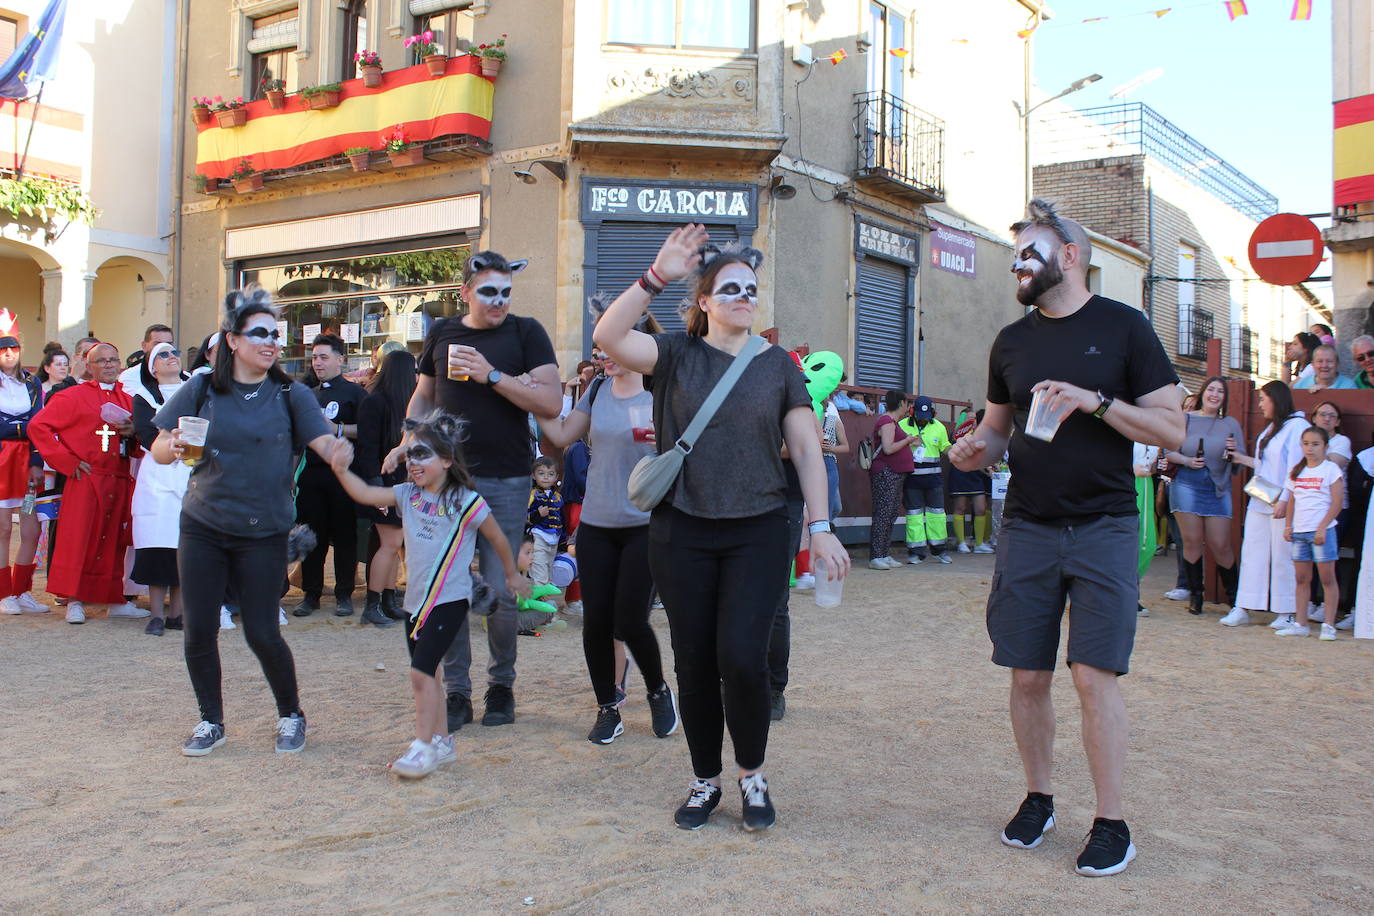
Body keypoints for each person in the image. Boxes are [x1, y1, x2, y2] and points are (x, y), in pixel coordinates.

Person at [948, 199, 1183, 877]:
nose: (1019, 265)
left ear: (1071, 256)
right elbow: (997, 430)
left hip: (1105, 524)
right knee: (1027, 674)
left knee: (1093, 675)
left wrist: (1098, 402)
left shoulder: (1125, 328)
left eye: (1031, 252)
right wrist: (977, 447)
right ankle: (1039, 797)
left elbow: (1173, 430)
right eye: (1015, 255)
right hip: (1027, 524)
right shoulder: (1011, 342)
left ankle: (1112, 821)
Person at [592, 224, 850, 833]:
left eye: (750, 288)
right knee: (694, 661)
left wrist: (823, 526)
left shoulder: (779, 366)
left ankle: (752, 772)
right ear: (704, 301)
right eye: (728, 288)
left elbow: (808, 451)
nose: (742, 295)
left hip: (758, 528)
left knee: (741, 656)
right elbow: (607, 335)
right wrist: (658, 273)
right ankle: (705, 778)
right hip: (680, 530)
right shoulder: (676, 354)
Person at [149, 289, 351, 757]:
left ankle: (291, 714)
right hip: (202, 524)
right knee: (199, 630)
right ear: (233, 340)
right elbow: (159, 448)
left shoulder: (291, 393)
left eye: (275, 335)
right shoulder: (201, 388)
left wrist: (339, 452)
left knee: (262, 631)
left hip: (263, 531)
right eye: (260, 333)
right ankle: (210, 721)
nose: (271, 343)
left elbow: (323, 441)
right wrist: (173, 445)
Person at [387, 250, 562, 731]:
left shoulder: (526, 332)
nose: (499, 301)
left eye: (506, 292)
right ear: (465, 292)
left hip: (506, 475)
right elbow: (425, 395)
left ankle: (501, 685)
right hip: (449, 479)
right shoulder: (443, 333)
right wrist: (409, 440)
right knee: (449, 587)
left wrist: (492, 375)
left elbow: (550, 400)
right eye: (488, 292)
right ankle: (459, 692)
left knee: (505, 584)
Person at [331, 409, 525, 777]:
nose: (413, 463)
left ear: (447, 461)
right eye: (410, 455)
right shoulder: (407, 494)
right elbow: (368, 493)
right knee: (429, 673)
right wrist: (341, 470)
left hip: (448, 600)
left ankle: (422, 747)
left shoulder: (466, 501)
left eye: (422, 455)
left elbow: (498, 538)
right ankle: (441, 741)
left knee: (420, 674)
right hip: (415, 602)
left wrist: (512, 575)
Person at [534, 339, 678, 745]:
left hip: (644, 525)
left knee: (630, 621)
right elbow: (562, 435)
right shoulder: (595, 390)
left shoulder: (660, 393)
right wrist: (532, 401)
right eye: (599, 351)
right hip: (597, 525)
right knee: (595, 623)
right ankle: (607, 707)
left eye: (610, 348)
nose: (602, 358)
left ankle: (657, 690)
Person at [28, 342, 147, 624]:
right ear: (89, 366)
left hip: (118, 477)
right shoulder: (72, 396)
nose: (108, 365)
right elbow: (38, 426)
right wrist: (66, 461)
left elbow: (137, 443)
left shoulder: (128, 400)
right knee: (78, 538)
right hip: (86, 477)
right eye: (102, 361)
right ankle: (74, 599)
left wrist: (132, 433)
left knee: (113, 540)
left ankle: (113, 598)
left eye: (113, 360)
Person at [1224, 381, 1310, 628]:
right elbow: (1266, 465)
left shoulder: (1298, 427)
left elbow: (1295, 468)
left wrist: (1285, 500)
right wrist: (1240, 458)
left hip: (1283, 502)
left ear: (1275, 398)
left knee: (1283, 555)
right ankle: (1243, 606)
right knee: (1252, 552)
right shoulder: (1272, 428)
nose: (1261, 404)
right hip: (1261, 499)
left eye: (1264, 399)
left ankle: (1287, 611)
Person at [292, 333, 366, 618]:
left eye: (324, 357)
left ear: (340, 359)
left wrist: (335, 429)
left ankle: (344, 593)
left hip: (344, 475)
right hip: (311, 474)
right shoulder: (307, 394)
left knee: (345, 536)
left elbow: (367, 430)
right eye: (314, 358)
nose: (318, 363)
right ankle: (311, 593)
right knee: (312, 537)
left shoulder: (356, 394)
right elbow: (299, 437)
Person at [1160, 376, 1245, 616]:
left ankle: (1234, 596)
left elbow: (1239, 462)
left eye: (1220, 391)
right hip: (1187, 484)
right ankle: (1196, 595)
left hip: (1218, 487)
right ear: (1203, 392)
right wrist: (1187, 460)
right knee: (1192, 541)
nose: (1215, 394)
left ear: (1224, 397)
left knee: (1220, 544)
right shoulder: (1186, 418)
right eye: (1211, 389)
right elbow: (1168, 451)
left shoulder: (1230, 423)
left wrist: (1233, 452)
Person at [129, 342, 191, 635]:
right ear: (152, 367)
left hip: (191, 468)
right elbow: (145, 434)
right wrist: (170, 441)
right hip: (158, 472)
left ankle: (177, 614)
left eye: (174, 353)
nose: (171, 358)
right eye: (163, 355)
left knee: (184, 543)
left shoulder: (195, 390)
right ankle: (156, 614)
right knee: (158, 543)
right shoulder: (143, 396)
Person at [354, 348, 417, 627]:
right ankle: (373, 602)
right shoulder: (375, 402)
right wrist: (376, 485)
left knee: (393, 543)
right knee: (389, 544)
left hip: (400, 483)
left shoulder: (404, 404)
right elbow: (366, 449)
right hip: (382, 482)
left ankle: (388, 599)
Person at [1276, 426, 1343, 640]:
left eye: (1315, 444)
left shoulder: (1331, 469)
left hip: (1322, 531)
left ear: (1325, 446)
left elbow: (1337, 502)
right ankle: (1301, 623)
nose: (1310, 448)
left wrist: (1323, 526)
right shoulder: (1298, 470)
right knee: (1301, 578)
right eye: (1306, 444)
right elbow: (1293, 498)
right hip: (1300, 532)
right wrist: (1289, 525)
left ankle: (1329, 625)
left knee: (1327, 578)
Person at [0, 321, 48, 616]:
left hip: (27, 459)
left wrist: (36, 460)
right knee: (3, 529)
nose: (8, 353)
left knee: (31, 529)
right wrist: (22, 427)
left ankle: (23, 590)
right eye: (3, 349)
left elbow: (39, 424)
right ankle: (4, 593)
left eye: (13, 348)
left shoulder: (32, 383)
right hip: (1, 460)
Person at [1307, 401, 1352, 622]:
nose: (1326, 418)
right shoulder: (1309, 440)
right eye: (1322, 414)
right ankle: (1309, 603)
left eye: (1331, 415)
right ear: (1314, 417)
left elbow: (1332, 462)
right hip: (1309, 509)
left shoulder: (1341, 441)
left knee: (1327, 559)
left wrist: (1311, 450)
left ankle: (1326, 605)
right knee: (1308, 559)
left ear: (1338, 422)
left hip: (1335, 510)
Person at [896, 396, 952, 563]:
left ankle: (939, 550)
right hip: (911, 481)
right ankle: (915, 552)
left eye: (926, 417)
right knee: (914, 516)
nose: (922, 420)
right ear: (912, 412)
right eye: (919, 415)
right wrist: (908, 442)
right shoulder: (902, 426)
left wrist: (954, 452)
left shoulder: (939, 427)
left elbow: (945, 447)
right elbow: (894, 447)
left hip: (934, 480)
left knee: (937, 516)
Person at [867, 390, 918, 569]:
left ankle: (884, 553)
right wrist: (908, 440)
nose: (908, 407)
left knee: (890, 513)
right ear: (902, 403)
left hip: (894, 473)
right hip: (886, 472)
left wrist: (909, 441)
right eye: (907, 403)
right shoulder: (887, 421)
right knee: (883, 513)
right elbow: (888, 448)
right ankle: (876, 556)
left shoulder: (891, 422)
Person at [526, 456, 563, 587]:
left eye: (550, 474)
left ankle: (544, 597)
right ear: (534, 476)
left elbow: (561, 518)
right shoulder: (532, 494)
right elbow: (525, 517)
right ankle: (540, 599)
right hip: (538, 536)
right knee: (539, 567)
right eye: (541, 473)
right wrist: (538, 515)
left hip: (554, 537)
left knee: (548, 568)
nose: (546, 477)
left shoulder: (558, 497)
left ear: (556, 477)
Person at [118, 324, 175, 395]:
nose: (163, 349)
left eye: (168, 344)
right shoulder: (130, 376)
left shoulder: (184, 376)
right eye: (157, 344)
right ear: (144, 346)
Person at [821, 388, 849, 521]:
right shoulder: (810, 417)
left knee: (833, 506)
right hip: (814, 462)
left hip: (828, 462)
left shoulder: (834, 420)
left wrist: (831, 448)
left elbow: (845, 447)